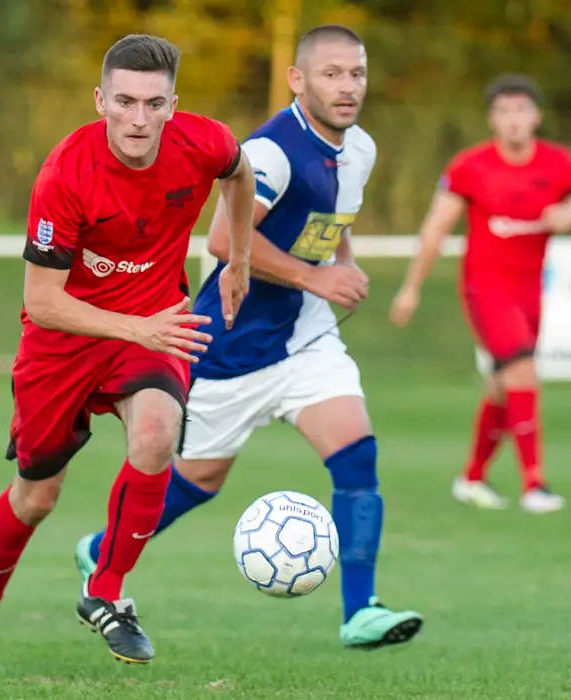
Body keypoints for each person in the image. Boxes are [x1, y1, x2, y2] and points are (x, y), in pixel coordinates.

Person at [75, 24, 424, 650]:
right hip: (231, 348)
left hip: (309, 340)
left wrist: (340, 261)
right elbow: (218, 241)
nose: (347, 88)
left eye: (357, 74)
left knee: (356, 455)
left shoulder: (361, 149)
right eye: (331, 74)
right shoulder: (270, 152)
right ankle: (101, 550)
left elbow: (332, 220)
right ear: (298, 79)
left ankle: (360, 610)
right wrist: (317, 278)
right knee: (200, 480)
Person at [0, 33, 255, 666]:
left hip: (152, 323)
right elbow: (43, 300)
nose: (139, 119)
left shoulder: (204, 142)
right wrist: (137, 329)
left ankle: (105, 591)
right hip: (63, 344)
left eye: (154, 104)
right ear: (100, 100)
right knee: (37, 497)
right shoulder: (65, 175)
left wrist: (239, 258)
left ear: (173, 104)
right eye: (126, 102)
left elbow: (239, 175)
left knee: (158, 432)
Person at [390, 74, 571, 514]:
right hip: (485, 287)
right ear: (492, 118)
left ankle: (471, 479)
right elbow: (436, 228)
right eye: (504, 111)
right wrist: (411, 288)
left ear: (537, 116)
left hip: (532, 289)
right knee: (524, 373)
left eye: (521, 110)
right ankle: (534, 485)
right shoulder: (471, 166)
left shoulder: (559, 162)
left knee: (502, 385)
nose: (513, 120)